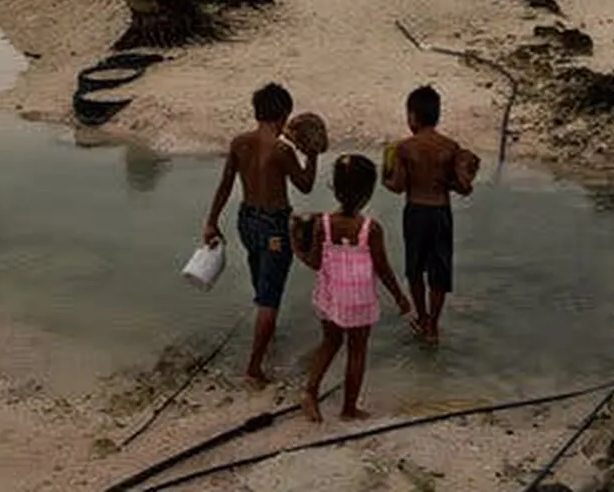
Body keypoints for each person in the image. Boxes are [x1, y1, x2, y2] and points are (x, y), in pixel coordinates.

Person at [201, 82, 318, 384]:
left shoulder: (239, 142)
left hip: (246, 221)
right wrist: (313, 154)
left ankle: (266, 338)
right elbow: (305, 184)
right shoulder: (281, 150)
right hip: (274, 226)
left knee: (261, 284)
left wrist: (211, 221)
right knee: (270, 298)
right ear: (282, 115)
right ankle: (254, 367)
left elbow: (226, 184)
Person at [290, 154, 411, 422]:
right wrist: (400, 297)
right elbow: (383, 268)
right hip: (359, 301)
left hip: (331, 297)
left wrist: (295, 244)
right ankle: (348, 409)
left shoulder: (324, 225)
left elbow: (315, 262)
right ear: (368, 192)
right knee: (357, 352)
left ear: (334, 186)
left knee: (330, 342)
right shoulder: (370, 229)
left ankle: (310, 392)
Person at [383, 85, 479, 345]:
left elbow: (398, 186)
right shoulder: (450, 147)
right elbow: (463, 187)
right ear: (437, 115)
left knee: (415, 270)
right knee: (439, 269)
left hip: (415, 212)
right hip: (440, 213)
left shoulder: (404, 149)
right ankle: (434, 326)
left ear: (412, 116)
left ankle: (422, 317)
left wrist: (384, 178)